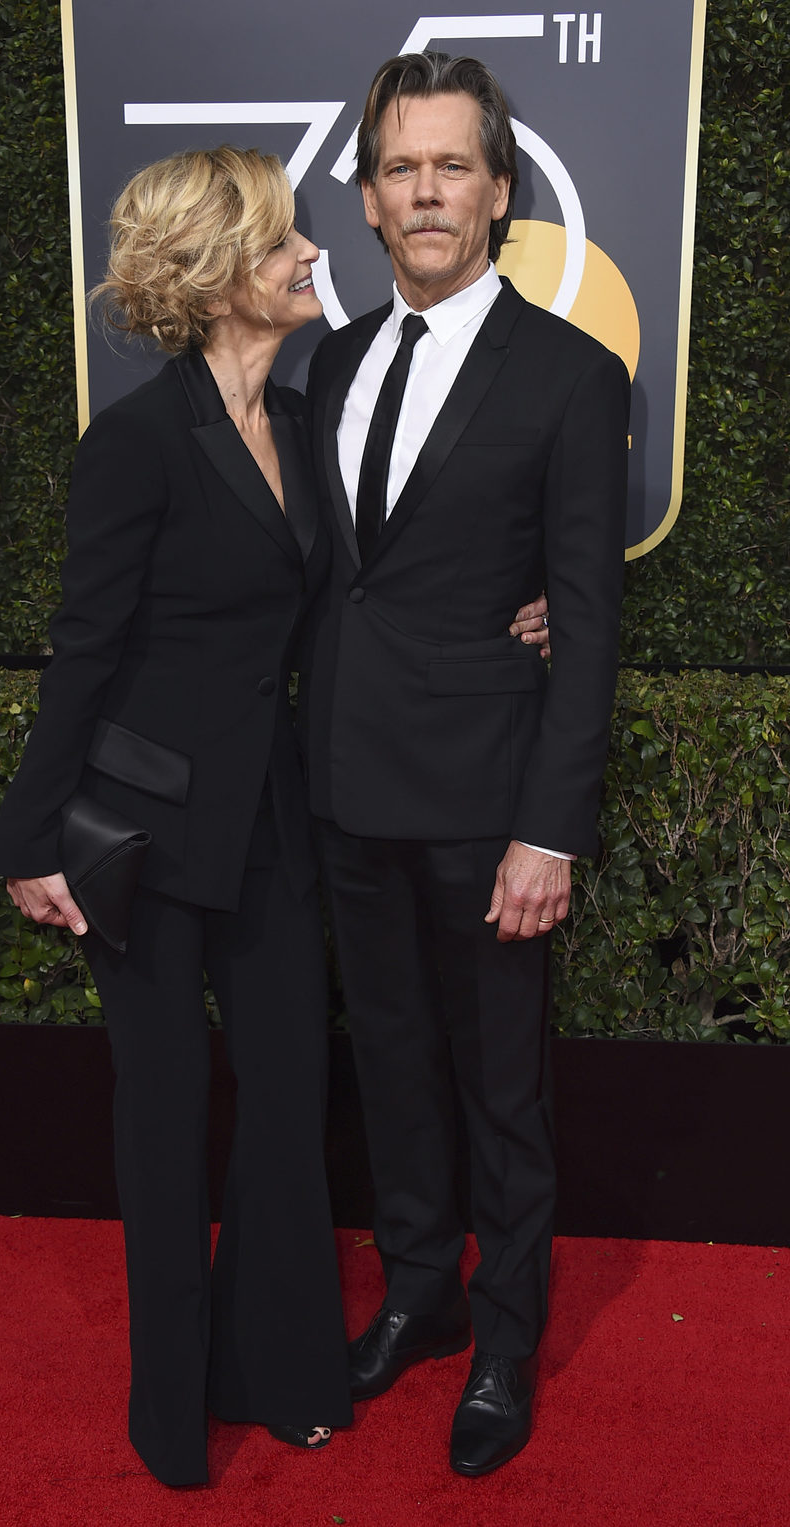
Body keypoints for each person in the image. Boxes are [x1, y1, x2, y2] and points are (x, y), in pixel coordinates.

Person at [0, 147, 353, 1488]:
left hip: (272, 825)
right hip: (141, 838)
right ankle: (169, 1412)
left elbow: (344, 603)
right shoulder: (136, 445)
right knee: (162, 1120)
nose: (312, 255)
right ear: (215, 279)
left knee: (286, 1097)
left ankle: (278, 1368)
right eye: (284, 244)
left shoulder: (308, 426)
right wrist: (29, 840)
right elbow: (84, 653)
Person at [301, 52, 630, 1477]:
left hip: (490, 807)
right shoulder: (331, 363)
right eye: (399, 168)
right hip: (346, 793)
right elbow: (335, 580)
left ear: (499, 192)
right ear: (368, 200)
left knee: (503, 1093)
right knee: (392, 1073)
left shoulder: (572, 376)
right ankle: (422, 1296)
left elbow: (592, 620)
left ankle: (505, 1341)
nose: (424, 191)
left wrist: (547, 832)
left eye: (451, 165)